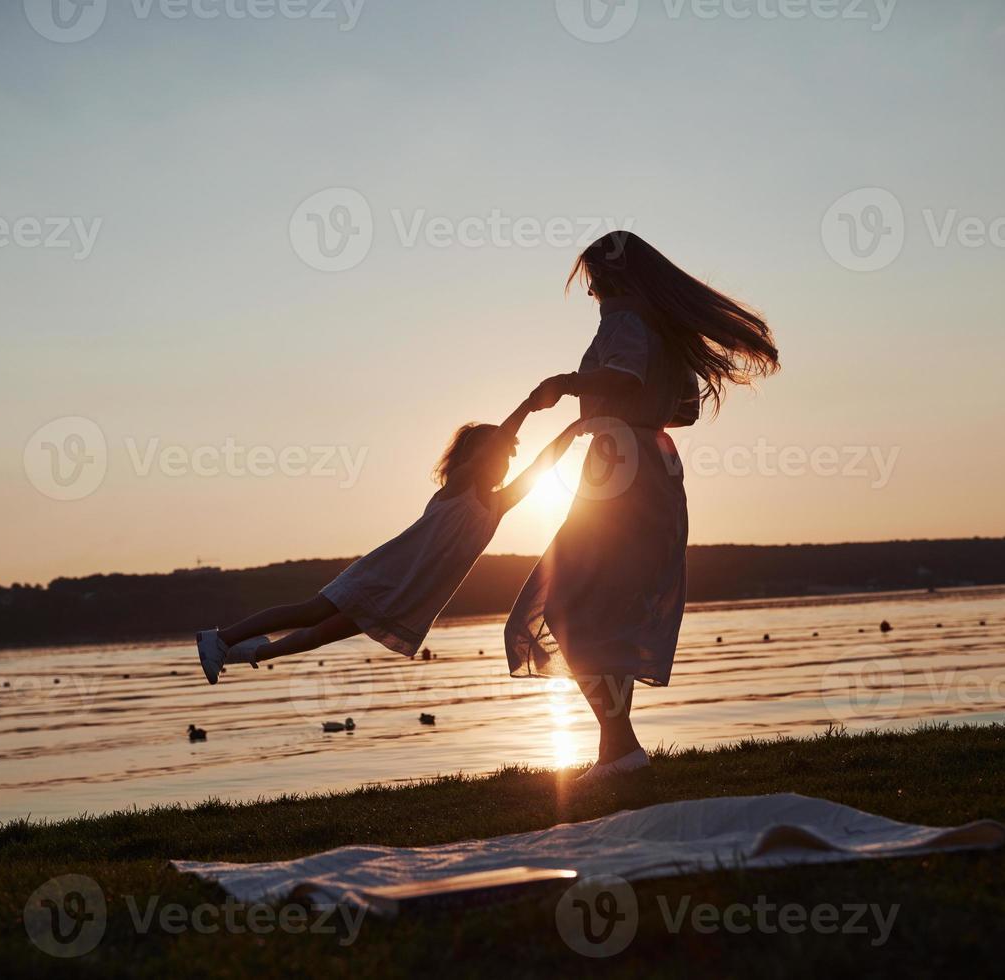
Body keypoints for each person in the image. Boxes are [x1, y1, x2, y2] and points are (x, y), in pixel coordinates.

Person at [506, 230, 779, 784]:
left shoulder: (625, 320)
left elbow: (624, 377)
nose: (589, 293)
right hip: (647, 462)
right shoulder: (656, 325)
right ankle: (617, 751)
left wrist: (566, 383)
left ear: (609, 276)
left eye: (591, 281)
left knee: (564, 604)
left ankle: (620, 749)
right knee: (604, 608)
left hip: (619, 467)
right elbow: (683, 411)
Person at [195, 403, 581, 684]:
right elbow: (495, 446)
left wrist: (576, 428)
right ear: (477, 455)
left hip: (409, 591)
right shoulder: (460, 484)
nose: (504, 460)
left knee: (319, 634)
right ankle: (221, 638)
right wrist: (530, 403)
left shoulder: (497, 506)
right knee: (311, 612)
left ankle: (248, 650)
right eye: (495, 452)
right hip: (387, 572)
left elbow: (539, 467)